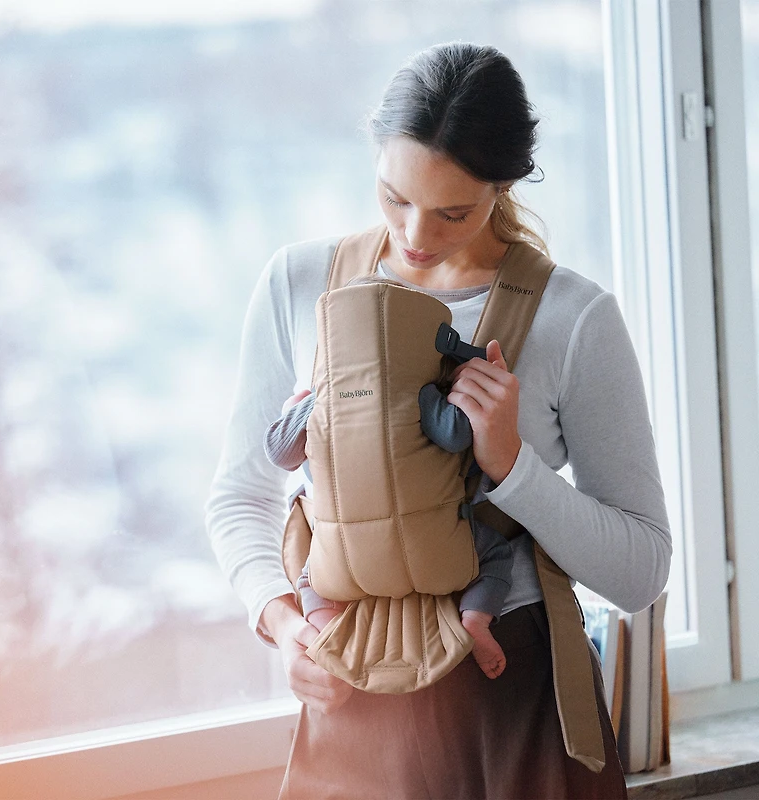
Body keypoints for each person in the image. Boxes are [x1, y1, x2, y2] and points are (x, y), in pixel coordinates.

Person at [205, 42, 671, 798]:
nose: (415, 236)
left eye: (452, 211)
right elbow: (240, 496)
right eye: (394, 197)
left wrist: (512, 466)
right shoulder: (297, 284)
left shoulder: (574, 318)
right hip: (352, 703)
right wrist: (286, 626)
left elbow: (641, 572)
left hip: (516, 704)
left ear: (505, 184)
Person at [262, 291, 514, 679]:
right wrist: (460, 393)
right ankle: (475, 620)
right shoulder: (421, 394)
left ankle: (326, 626)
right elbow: (457, 437)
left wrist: (296, 408)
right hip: (430, 543)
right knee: (495, 552)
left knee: (310, 576)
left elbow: (280, 453)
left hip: (345, 556)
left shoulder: (321, 400)